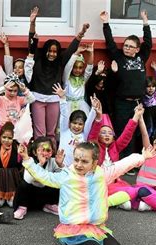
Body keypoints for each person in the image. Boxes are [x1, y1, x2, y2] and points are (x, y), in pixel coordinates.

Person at [18, 141, 155, 245]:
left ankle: (90, 240)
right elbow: (45, 176)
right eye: (76, 160)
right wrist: (27, 159)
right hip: (74, 227)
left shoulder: (102, 174)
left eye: (84, 161)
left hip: (94, 225)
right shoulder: (67, 176)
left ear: (94, 163)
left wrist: (142, 157)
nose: (78, 164)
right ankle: (71, 242)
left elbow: (121, 166)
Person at [26, 6, 88, 140]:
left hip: (54, 99)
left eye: (55, 51)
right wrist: (32, 23)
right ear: (45, 50)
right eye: (50, 51)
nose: (52, 54)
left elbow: (72, 48)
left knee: (51, 133)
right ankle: (40, 157)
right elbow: (31, 43)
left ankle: (52, 156)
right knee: (39, 132)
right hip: (37, 98)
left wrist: (81, 32)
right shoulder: (38, 58)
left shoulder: (60, 61)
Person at [100, 9, 151, 158]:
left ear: (137, 49)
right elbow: (110, 43)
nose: (127, 48)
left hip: (137, 102)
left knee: (136, 130)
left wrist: (145, 22)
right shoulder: (119, 57)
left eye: (130, 46)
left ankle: (132, 160)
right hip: (122, 102)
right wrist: (105, 23)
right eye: (126, 45)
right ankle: (121, 159)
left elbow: (148, 42)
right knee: (122, 130)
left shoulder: (142, 58)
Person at [13, 137, 63, 219]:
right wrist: (40, 164)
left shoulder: (53, 161)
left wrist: (60, 165)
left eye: (48, 150)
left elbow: (62, 178)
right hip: (30, 195)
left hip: (44, 194)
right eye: (41, 150)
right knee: (23, 185)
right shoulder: (30, 161)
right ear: (35, 152)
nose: (45, 153)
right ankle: (22, 207)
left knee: (57, 183)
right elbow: (28, 180)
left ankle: (49, 205)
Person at [54, 83, 100, 166]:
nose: (76, 126)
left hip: (78, 170)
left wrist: (93, 109)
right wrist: (62, 98)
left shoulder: (85, 135)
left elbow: (89, 122)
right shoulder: (65, 131)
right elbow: (64, 115)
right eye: (74, 123)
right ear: (69, 123)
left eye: (80, 124)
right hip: (60, 168)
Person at [0, 104, 21, 207]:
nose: (6, 140)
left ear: (13, 138)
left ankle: (11, 195)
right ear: (0, 137)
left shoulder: (16, 146)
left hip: (12, 176)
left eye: (9, 138)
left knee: (12, 204)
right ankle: (0, 195)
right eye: (4, 137)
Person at [62, 43, 94, 116]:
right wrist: (77, 52)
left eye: (80, 67)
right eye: (75, 67)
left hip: (82, 107)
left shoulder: (83, 79)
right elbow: (68, 67)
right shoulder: (66, 79)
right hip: (68, 107)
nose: (77, 70)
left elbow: (89, 69)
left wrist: (91, 52)